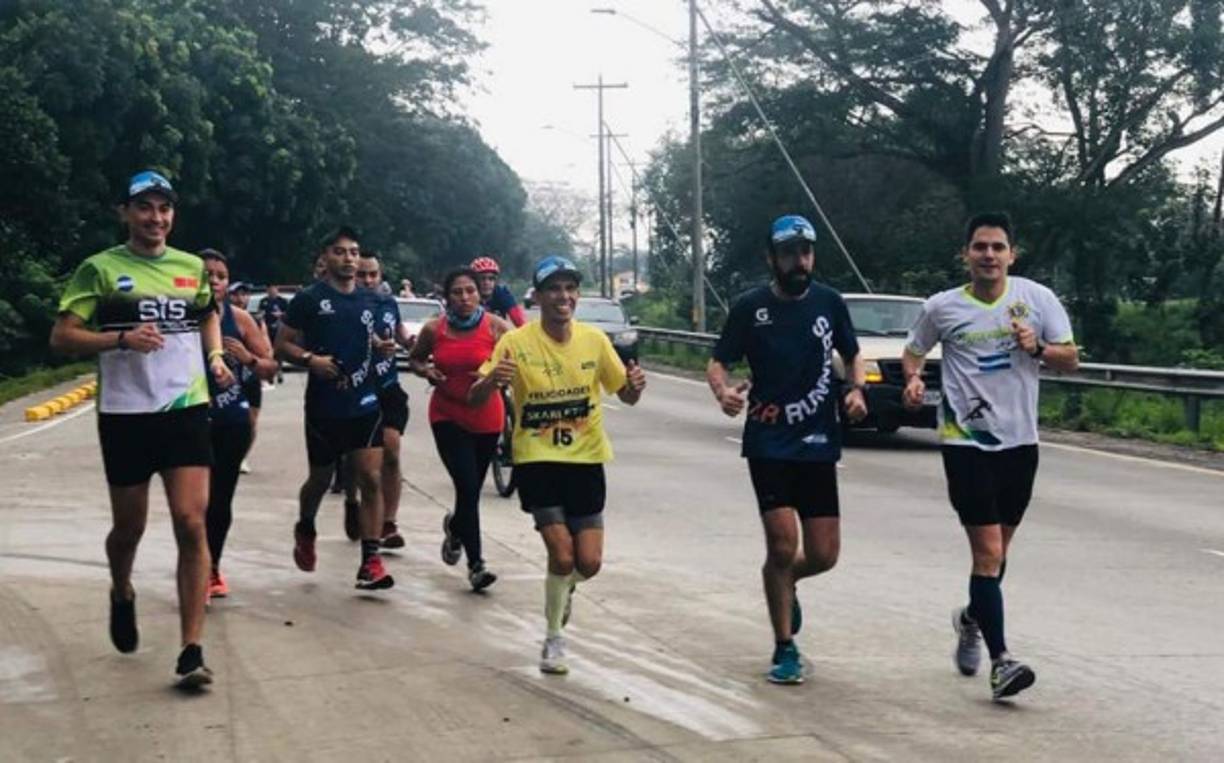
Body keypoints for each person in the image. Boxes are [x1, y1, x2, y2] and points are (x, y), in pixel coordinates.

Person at [49, 170, 234, 688]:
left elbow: (207, 316)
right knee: (129, 527)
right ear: (125, 213)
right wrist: (121, 339)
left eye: (164, 209)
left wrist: (215, 356)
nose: (156, 218)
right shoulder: (100, 270)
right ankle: (121, 588)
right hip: (126, 413)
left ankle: (191, 649)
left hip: (186, 407)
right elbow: (64, 336)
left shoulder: (191, 267)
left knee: (191, 522)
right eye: (145, 208)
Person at [902, 212, 1078, 700]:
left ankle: (971, 619)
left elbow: (1070, 356)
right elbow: (914, 351)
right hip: (965, 442)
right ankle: (1003, 662)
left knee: (999, 554)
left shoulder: (1036, 300)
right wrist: (915, 378)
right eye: (980, 247)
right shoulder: (942, 307)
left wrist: (1038, 346)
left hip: (1020, 442)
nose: (988, 255)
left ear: (1011, 255)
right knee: (989, 553)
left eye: (997, 247)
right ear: (966, 255)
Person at [707, 214, 868, 685]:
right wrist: (724, 393)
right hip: (768, 441)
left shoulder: (829, 302)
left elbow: (852, 351)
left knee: (823, 555)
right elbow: (719, 361)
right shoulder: (750, 307)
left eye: (806, 251)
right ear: (771, 258)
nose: (799, 260)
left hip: (818, 442)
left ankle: (788, 581)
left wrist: (856, 390)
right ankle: (784, 647)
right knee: (782, 544)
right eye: (789, 252)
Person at [470, 255, 646, 674]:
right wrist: (493, 381)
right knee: (562, 555)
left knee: (589, 563)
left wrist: (635, 387)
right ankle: (553, 639)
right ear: (538, 297)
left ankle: (563, 590)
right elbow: (476, 395)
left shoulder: (594, 341)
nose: (563, 297)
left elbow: (626, 394)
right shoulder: (515, 343)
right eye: (553, 289)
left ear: (576, 295)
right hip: (538, 461)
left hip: (586, 461)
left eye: (569, 288)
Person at [274, 226, 398, 590]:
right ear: (326, 257)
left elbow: (366, 336)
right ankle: (306, 524)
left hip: (365, 401)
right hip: (325, 406)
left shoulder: (369, 299)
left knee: (370, 477)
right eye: (341, 252)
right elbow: (282, 345)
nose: (349, 258)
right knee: (321, 479)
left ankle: (371, 561)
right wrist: (311, 359)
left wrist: (381, 345)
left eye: (354, 252)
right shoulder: (309, 300)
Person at [408, 268, 513, 591]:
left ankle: (455, 527)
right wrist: (426, 371)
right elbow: (415, 359)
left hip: (487, 417)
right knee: (467, 488)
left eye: (470, 291)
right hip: (447, 414)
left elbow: (520, 358)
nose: (465, 298)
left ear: (479, 293)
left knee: (469, 493)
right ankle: (476, 565)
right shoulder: (433, 329)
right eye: (457, 292)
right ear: (447, 297)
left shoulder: (497, 328)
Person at [200, 252, 277, 599]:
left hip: (232, 421)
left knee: (220, 499)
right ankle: (194, 561)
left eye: (221, 275)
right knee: (192, 504)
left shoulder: (240, 319)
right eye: (208, 274)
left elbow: (270, 366)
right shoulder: (181, 317)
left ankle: (211, 566)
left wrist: (246, 358)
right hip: (190, 421)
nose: (215, 280)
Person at [355, 251, 413, 549]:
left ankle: (388, 523)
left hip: (388, 389)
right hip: (354, 391)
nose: (367, 280)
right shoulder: (344, 305)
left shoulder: (388, 303)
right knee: (361, 463)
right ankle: (355, 500)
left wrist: (410, 342)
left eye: (373, 275)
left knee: (391, 450)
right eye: (362, 275)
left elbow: (399, 330)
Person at [228, 281, 268, 475]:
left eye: (244, 295)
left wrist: (253, 359)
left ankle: (242, 456)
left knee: (250, 421)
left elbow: (267, 350)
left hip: (249, 375)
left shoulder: (256, 320)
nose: (241, 298)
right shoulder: (218, 318)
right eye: (237, 294)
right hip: (228, 376)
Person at [470, 256, 526, 327]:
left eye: (491, 279)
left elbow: (520, 322)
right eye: (482, 278)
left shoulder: (502, 293)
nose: (487, 283)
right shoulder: (467, 296)